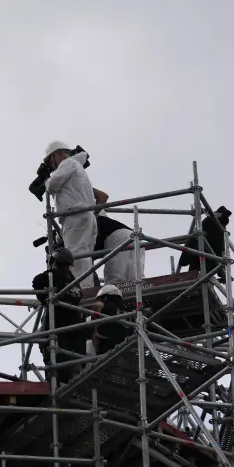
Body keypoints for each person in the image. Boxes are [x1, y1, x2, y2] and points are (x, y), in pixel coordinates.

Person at [43, 141, 98, 290]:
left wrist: (47, 181)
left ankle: (81, 291)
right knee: (84, 256)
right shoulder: (77, 166)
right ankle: (87, 288)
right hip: (86, 215)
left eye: (50, 160)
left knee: (75, 255)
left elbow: (53, 185)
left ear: (58, 154)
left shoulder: (67, 163)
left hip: (74, 215)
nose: (51, 165)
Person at [31, 247, 87, 382]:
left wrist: (44, 299)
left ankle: (54, 381)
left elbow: (37, 282)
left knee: (53, 355)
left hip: (58, 324)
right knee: (73, 361)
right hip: (74, 326)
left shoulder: (51, 276)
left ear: (53, 261)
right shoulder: (74, 282)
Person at [177, 205, 231, 280]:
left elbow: (196, 237)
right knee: (202, 280)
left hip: (199, 255)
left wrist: (184, 259)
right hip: (207, 259)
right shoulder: (220, 227)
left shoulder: (210, 221)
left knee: (194, 277)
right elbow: (220, 249)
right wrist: (222, 272)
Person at [95, 206, 143, 288]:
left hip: (117, 238)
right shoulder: (103, 222)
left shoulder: (87, 225)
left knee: (115, 281)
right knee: (136, 278)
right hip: (134, 236)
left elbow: (83, 259)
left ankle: (113, 299)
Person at [91, 284, 132, 356]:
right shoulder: (125, 313)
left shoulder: (102, 305)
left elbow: (96, 306)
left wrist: (95, 332)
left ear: (105, 297)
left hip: (107, 350)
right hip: (123, 349)